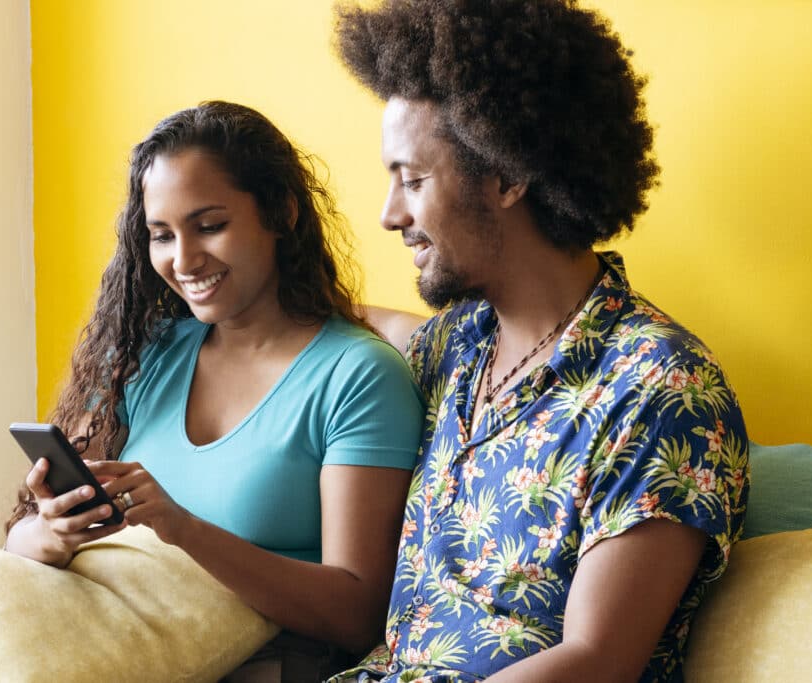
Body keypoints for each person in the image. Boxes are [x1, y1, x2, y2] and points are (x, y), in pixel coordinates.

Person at [0, 101, 425, 682]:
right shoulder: (149, 353)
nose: (184, 259)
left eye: (210, 226)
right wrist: (55, 531)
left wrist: (182, 528)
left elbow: (355, 612)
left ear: (282, 213)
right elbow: (22, 543)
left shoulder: (357, 376)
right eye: (161, 235)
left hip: (239, 654)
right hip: (101, 623)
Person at [329, 1, 749, 682]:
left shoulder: (659, 388)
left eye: (412, 179)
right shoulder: (452, 349)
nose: (389, 214)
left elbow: (597, 659)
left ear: (506, 174)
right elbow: (342, 324)